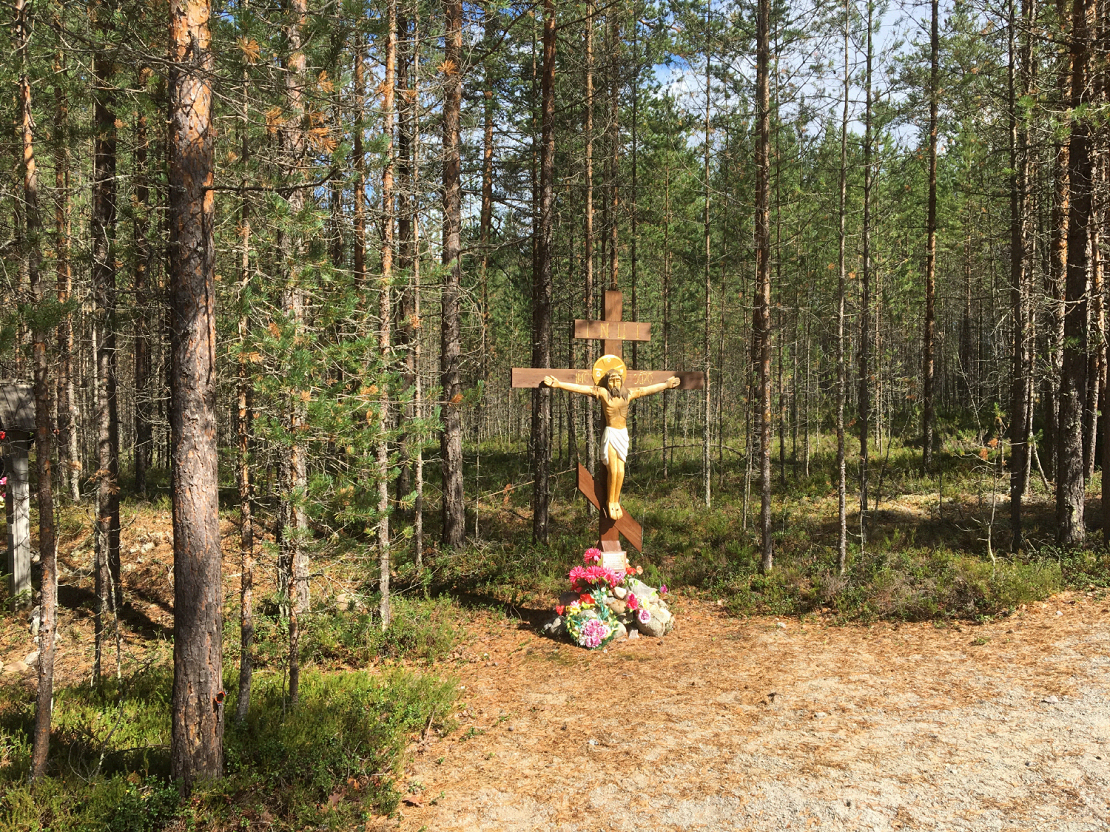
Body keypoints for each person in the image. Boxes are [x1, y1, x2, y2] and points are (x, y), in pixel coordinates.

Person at [544, 355, 679, 520]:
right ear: (607, 382)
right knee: (613, 470)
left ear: (622, 381)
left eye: (617, 380)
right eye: (612, 381)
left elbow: (646, 389)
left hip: (622, 434)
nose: (615, 384)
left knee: (621, 471)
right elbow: (581, 388)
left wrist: (666, 385)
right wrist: (559, 384)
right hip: (611, 433)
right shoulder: (603, 393)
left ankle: (616, 500)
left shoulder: (628, 394)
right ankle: (610, 501)